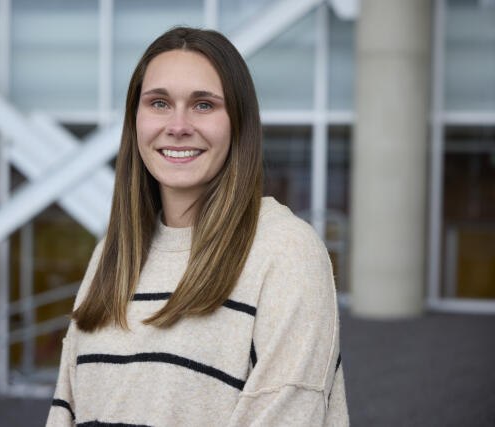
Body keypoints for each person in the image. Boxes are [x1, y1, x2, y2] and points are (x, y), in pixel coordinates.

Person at [47, 26, 349, 426]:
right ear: (135, 120)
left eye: (203, 105)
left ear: (238, 123)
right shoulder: (112, 252)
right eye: (158, 103)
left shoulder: (285, 252)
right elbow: (64, 410)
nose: (178, 125)